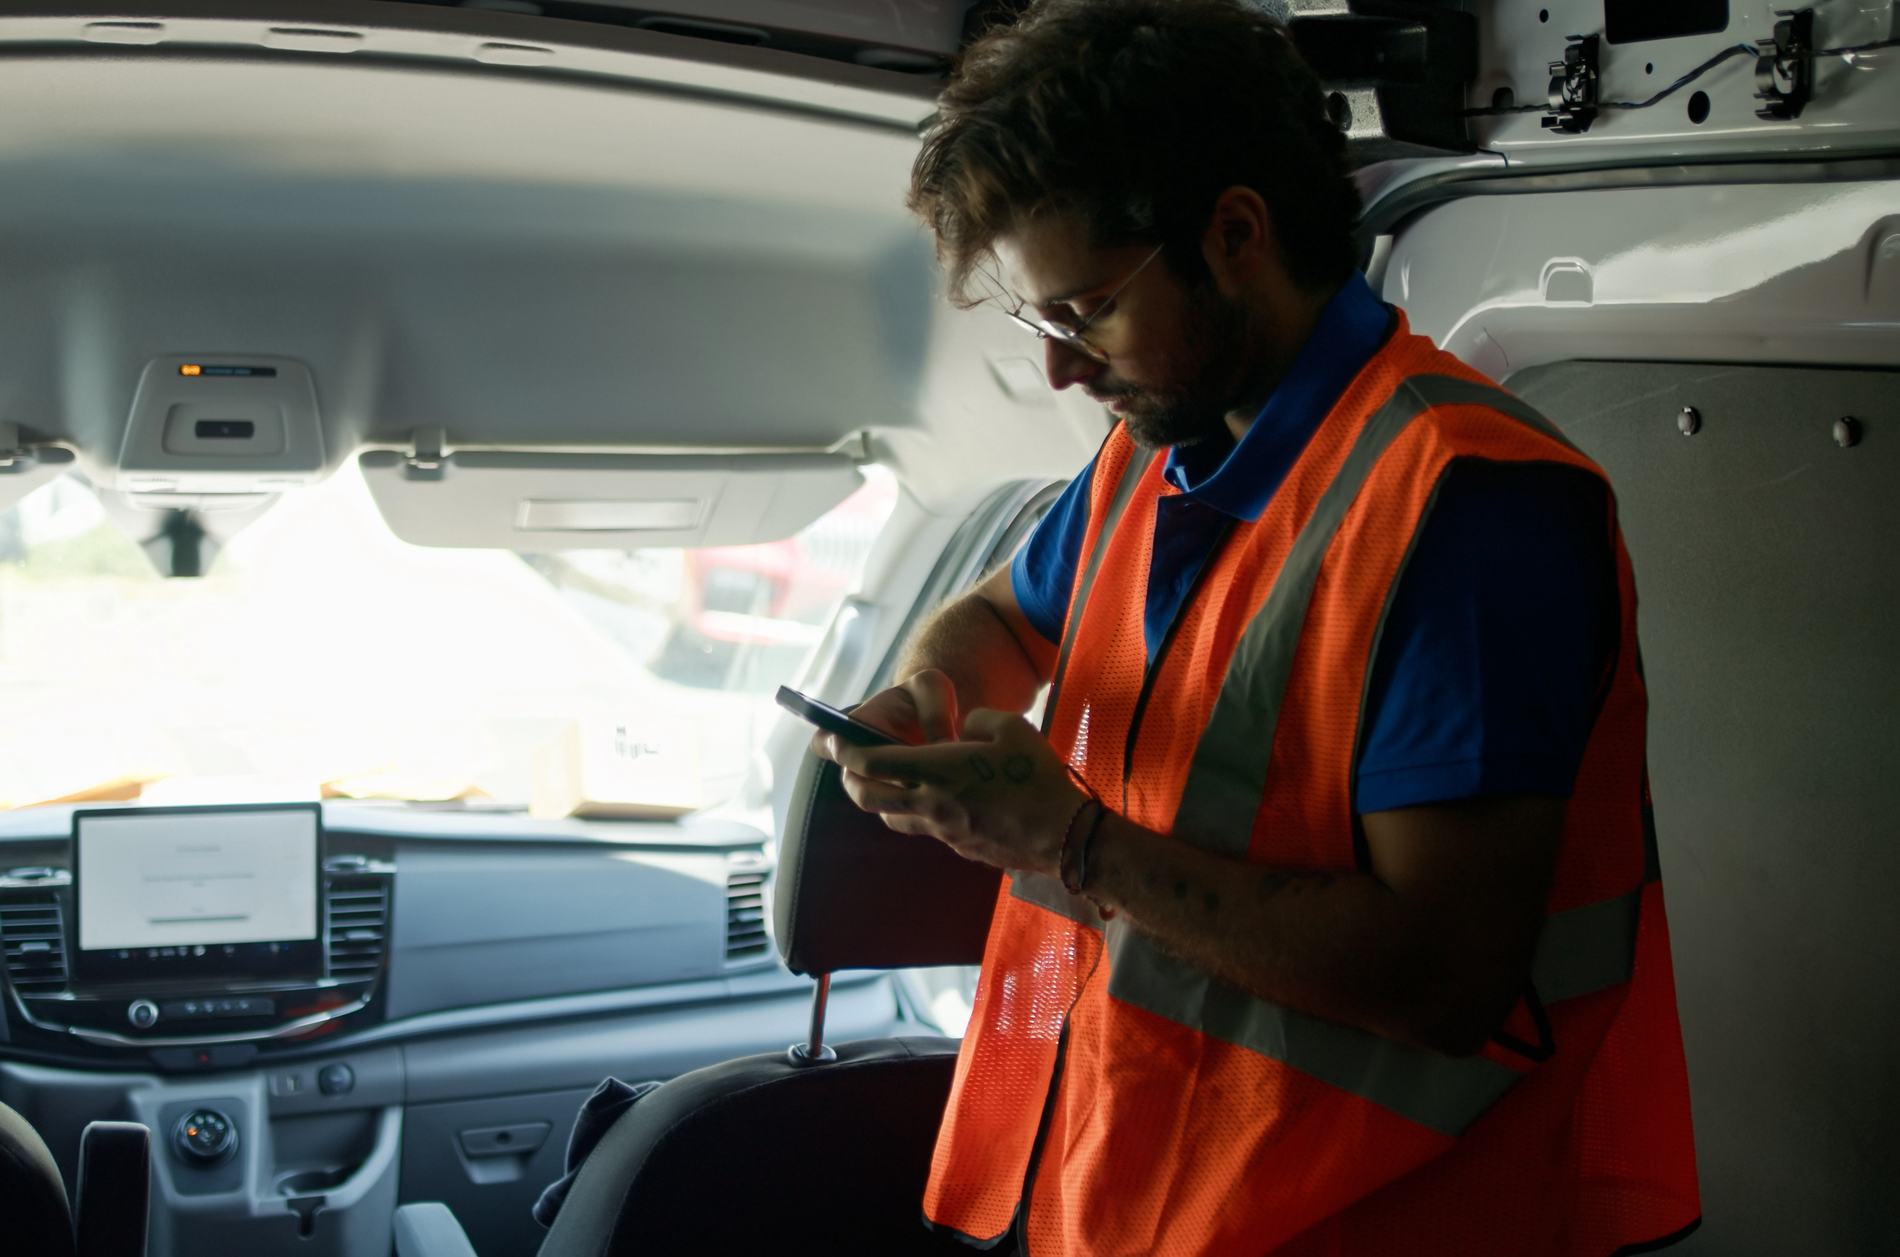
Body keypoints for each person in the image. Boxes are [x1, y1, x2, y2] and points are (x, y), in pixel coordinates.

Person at [813, 1, 1701, 1253]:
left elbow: (1442, 978)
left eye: (1084, 312)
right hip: (1133, 1203)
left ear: (1234, 235)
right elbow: (1001, 617)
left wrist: (1068, 840)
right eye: (1043, 324)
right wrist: (920, 695)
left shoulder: (1466, 509)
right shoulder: (1152, 449)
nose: (1064, 369)